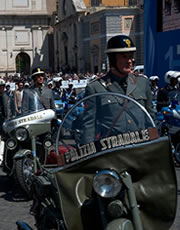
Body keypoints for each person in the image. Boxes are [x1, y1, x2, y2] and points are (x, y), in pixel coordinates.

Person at [80, 34, 154, 144]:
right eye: (124, 57)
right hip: (113, 152)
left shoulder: (142, 82)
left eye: (131, 57)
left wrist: (154, 144)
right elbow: (89, 125)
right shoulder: (95, 87)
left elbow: (150, 117)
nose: (130, 61)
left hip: (141, 149)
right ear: (113, 59)